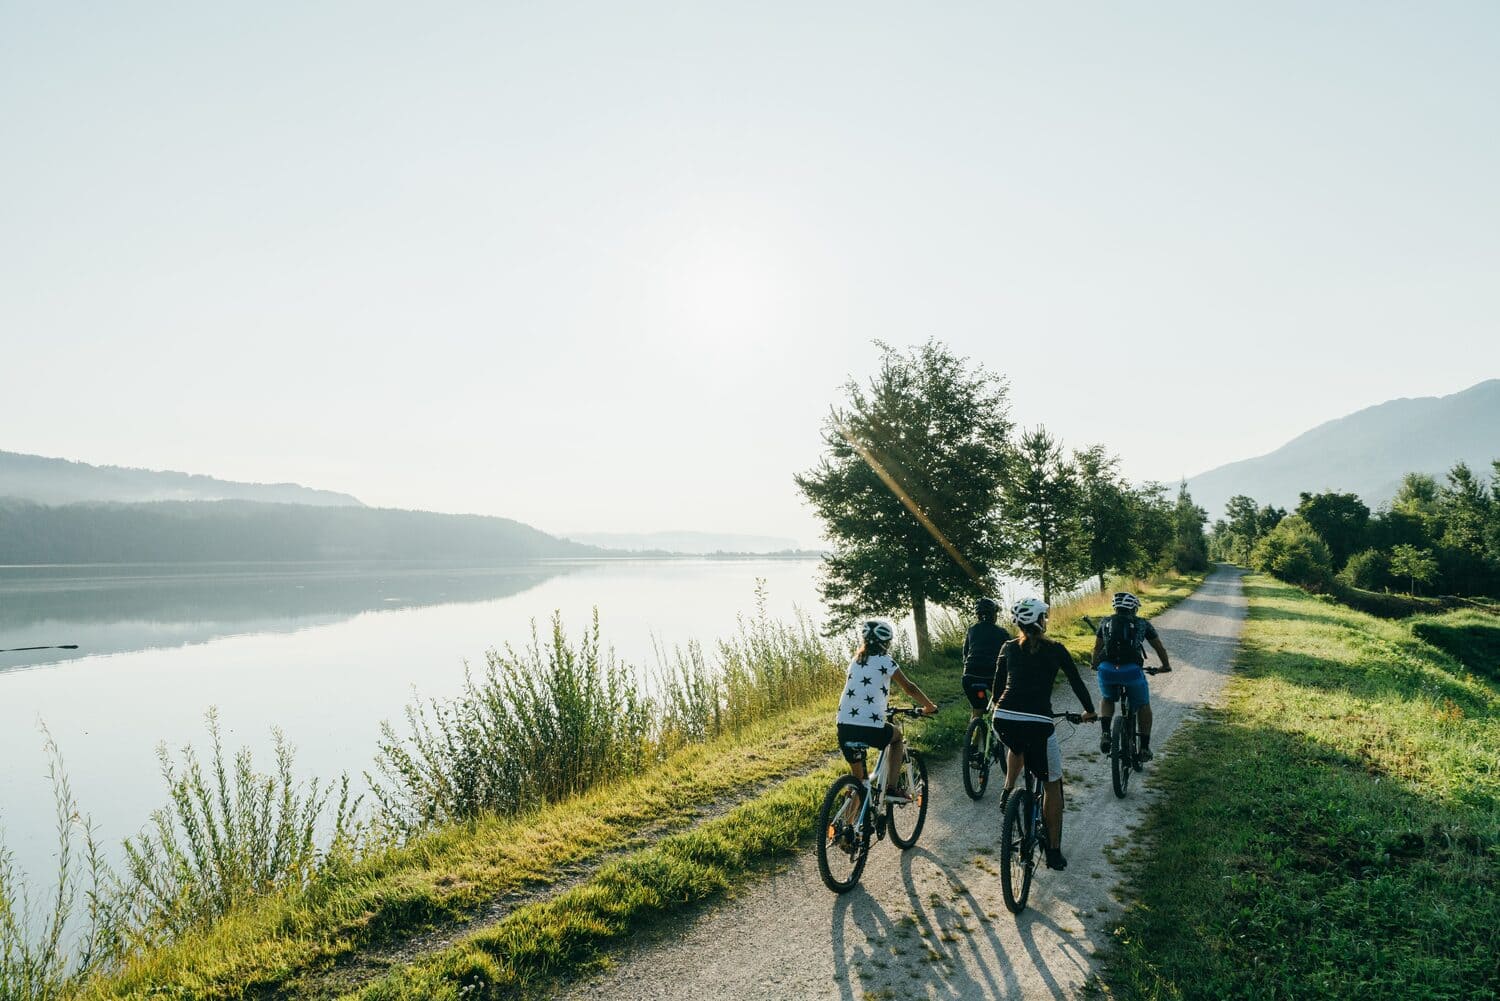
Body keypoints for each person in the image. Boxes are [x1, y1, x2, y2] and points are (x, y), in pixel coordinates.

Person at [992, 597, 1097, 871]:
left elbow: (997, 689)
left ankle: (1007, 791)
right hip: (1038, 721)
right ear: (1041, 621)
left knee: (1017, 746)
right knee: (1052, 784)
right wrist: (1089, 711)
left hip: (1003, 718)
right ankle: (1053, 851)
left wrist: (1003, 708)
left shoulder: (1007, 647)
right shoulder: (1057, 649)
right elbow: (1076, 682)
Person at [835, 620, 938, 813]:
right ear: (886, 642)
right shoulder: (886, 660)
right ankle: (892, 787)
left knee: (860, 781)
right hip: (869, 726)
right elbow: (909, 688)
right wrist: (929, 706)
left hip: (844, 725)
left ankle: (847, 832)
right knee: (897, 737)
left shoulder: (855, 660)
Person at [1092, 591, 1172, 762]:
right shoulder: (1142, 624)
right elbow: (1159, 648)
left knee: (1107, 698)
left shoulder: (1105, 622)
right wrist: (1165, 666)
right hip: (1131, 672)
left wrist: (1094, 664)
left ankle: (1106, 733)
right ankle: (1144, 748)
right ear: (1134, 608)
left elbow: (1097, 648)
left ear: (1116, 607)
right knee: (1143, 705)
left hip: (1107, 669)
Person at [961, 596, 1011, 721]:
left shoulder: (971, 630)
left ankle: (974, 738)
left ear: (977, 615)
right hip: (992, 676)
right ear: (994, 615)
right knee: (1002, 705)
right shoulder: (1001, 632)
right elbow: (1011, 655)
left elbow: (965, 654)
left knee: (978, 708)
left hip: (969, 676)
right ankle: (998, 730)